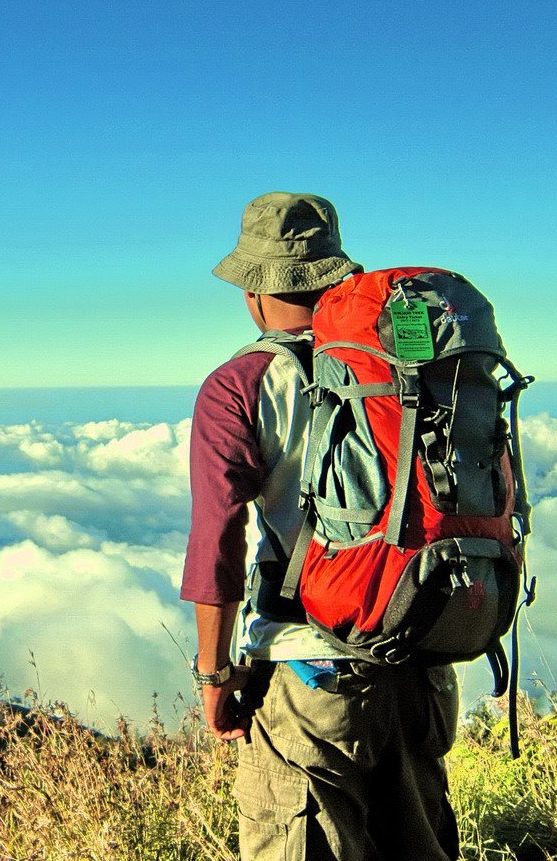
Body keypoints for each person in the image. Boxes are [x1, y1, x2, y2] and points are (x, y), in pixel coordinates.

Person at [180, 192, 461, 861]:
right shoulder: (411, 371)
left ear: (252, 291)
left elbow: (216, 543)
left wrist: (216, 678)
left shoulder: (240, 385)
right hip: (422, 663)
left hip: (314, 678)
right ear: (337, 277)